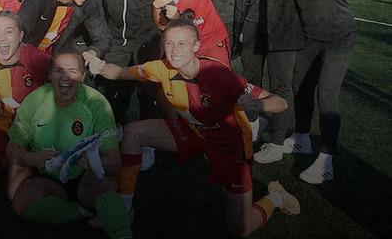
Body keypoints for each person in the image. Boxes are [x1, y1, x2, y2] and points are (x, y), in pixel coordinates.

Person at [90, 19, 299, 237]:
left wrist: (259, 104)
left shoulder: (220, 75)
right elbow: (121, 72)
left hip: (230, 148)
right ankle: (125, 210)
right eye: (169, 43)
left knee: (240, 228)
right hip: (194, 132)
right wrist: (101, 67)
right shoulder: (161, 68)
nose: (174, 50)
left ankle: (276, 197)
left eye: (182, 44)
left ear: (196, 46)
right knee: (133, 133)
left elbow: (281, 103)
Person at [257, 0, 355, 184]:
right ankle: (301, 140)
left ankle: (327, 159)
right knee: (300, 89)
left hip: (338, 38)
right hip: (310, 38)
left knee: (327, 96)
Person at [6, 49, 131, 239]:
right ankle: (80, 212)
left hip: (86, 177)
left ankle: (122, 233)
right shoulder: (34, 100)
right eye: (58, 70)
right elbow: (12, 151)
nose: (65, 77)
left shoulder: (97, 103)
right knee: (21, 202)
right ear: (49, 75)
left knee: (106, 186)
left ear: (82, 76)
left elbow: (114, 162)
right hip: (49, 177)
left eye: (73, 71)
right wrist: (34, 158)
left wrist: (91, 162)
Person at [94, 0, 171, 128]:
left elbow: (167, 12)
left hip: (145, 45)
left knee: (147, 98)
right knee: (111, 94)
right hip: (116, 43)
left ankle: (148, 144)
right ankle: (114, 133)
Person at [0, 11, 51, 191]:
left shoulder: (38, 60)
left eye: (8, 32)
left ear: (21, 35)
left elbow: (62, 87)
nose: (1, 38)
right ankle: (4, 157)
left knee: (15, 192)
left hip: (29, 128)